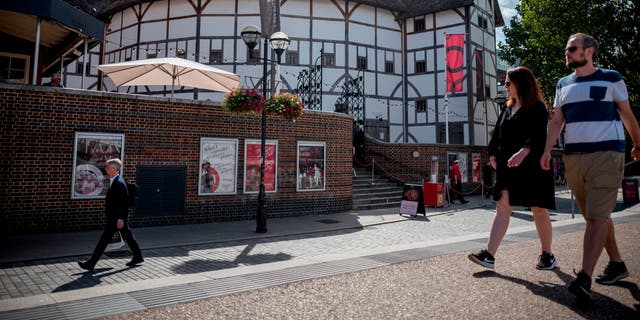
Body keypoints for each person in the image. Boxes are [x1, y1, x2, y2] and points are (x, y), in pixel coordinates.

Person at [540, 33, 640, 303]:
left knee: (596, 216)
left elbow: (626, 114)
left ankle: (584, 277)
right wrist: (547, 150)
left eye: (572, 48)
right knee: (595, 216)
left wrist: (638, 145)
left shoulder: (611, 77)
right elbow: (557, 121)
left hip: (607, 154)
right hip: (574, 157)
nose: (567, 53)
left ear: (590, 51)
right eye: (566, 49)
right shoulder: (562, 84)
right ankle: (617, 264)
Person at [469, 66, 557, 271]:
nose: (504, 86)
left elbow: (538, 135)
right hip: (508, 168)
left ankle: (547, 254)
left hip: (533, 166)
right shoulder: (507, 109)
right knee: (503, 206)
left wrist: (524, 152)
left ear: (521, 84)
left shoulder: (538, 107)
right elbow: (497, 134)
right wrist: (492, 153)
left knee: (538, 209)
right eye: (504, 83)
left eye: (508, 82)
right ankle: (489, 255)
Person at [79, 158, 143, 271]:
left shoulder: (119, 183)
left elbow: (123, 203)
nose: (105, 168)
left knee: (103, 241)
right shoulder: (114, 180)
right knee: (128, 237)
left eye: (107, 167)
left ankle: (91, 263)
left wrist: (120, 219)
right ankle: (138, 256)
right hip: (115, 217)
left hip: (116, 218)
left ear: (114, 169)